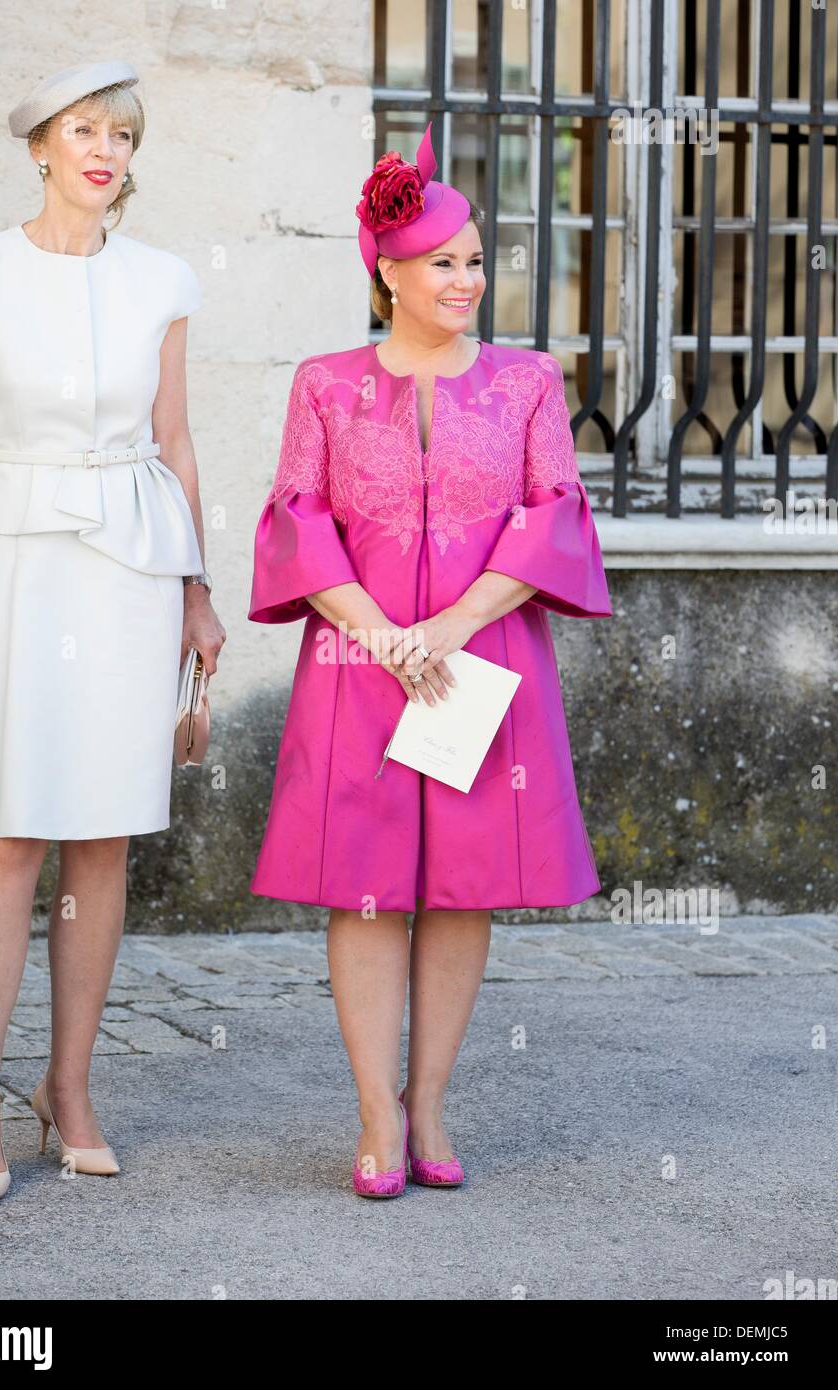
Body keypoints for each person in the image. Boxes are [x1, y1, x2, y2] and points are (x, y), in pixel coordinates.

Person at [248, 124, 612, 1198]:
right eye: (443, 261)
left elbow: (556, 516)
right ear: (387, 272)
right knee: (362, 890)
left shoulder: (528, 381)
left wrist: (445, 632)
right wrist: (378, 633)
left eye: (473, 259)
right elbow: (295, 521)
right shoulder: (323, 383)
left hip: (478, 652)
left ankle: (432, 1105)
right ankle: (372, 1114)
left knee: (461, 885)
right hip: (355, 658)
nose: (465, 279)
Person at [0, 60, 225, 1202]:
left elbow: (179, 442)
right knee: (8, 837)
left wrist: (196, 588)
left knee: (104, 839)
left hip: (134, 568)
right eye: (83, 129)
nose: (104, 149)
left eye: (123, 134)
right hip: (13, 567)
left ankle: (72, 1088)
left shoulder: (164, 280)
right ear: (39, 145)